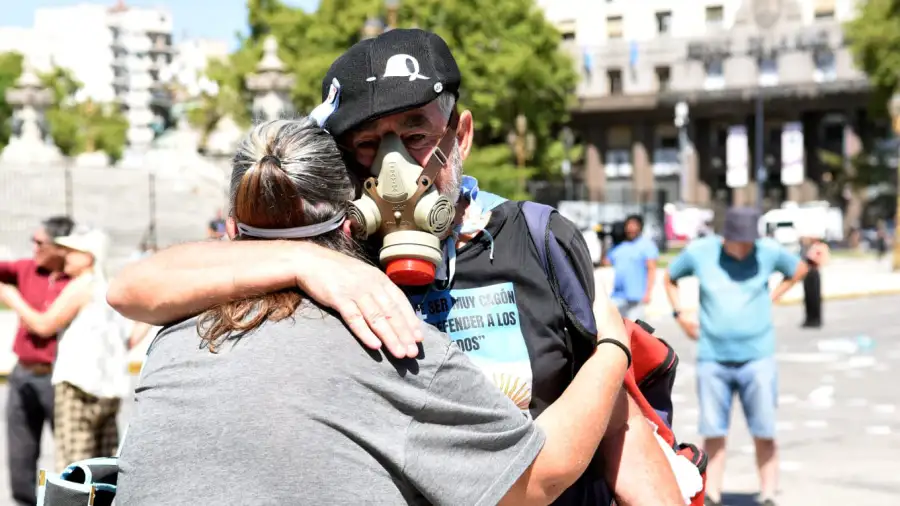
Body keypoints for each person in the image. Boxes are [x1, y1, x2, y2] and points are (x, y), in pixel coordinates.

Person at [108, 29, 683, 505]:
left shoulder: (537, 241)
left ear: (460, 135)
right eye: (368, 146)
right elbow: (133, 288)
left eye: (415, 135)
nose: (395, 168)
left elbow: (615, 421)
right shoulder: (335, 256)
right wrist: (306, 259)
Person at [663, 207, 808, 506]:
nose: (744, 247)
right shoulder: (701, 252)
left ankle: (768, 494)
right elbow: (670, 276)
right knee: (713, 431)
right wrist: (680, 315)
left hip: (758, 357)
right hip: (712, 357)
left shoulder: (767, 251)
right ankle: (711, 494)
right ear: (725, 237)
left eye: (748, 241)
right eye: (738, 241)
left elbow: (799, 269)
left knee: (764, 430)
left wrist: (773, 296)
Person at [1, 226, 127, 472]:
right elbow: (129, 339)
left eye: (72, 251)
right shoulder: (108, 288)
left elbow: (44, 325)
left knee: (73, 469)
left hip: (78, 387)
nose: (65, 255)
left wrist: (12, 298)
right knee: (102, 469)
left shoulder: (81, 286)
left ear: (88, 257)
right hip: (108, 389)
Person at [0, 216, 73, 506]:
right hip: (23, 372)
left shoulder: (76, 281)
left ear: (60, 245)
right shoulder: (26, 269)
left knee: (69, 453)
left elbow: (45, 326)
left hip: (58, 376)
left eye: (40, 242)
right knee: (20, 453)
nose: (34, 247)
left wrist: (13, 299)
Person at [602, 214, 658, 321]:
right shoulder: (618, 245)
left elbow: (651, 269)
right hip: (617, 295)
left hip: (636, 295)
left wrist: (648, 292)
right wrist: (604, 242)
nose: (631, 229)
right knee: (616, 326)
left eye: (634, 225)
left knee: (634, 327)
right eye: (629, 225)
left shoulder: (647, 245)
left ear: (640, 227)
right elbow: (605, 263)